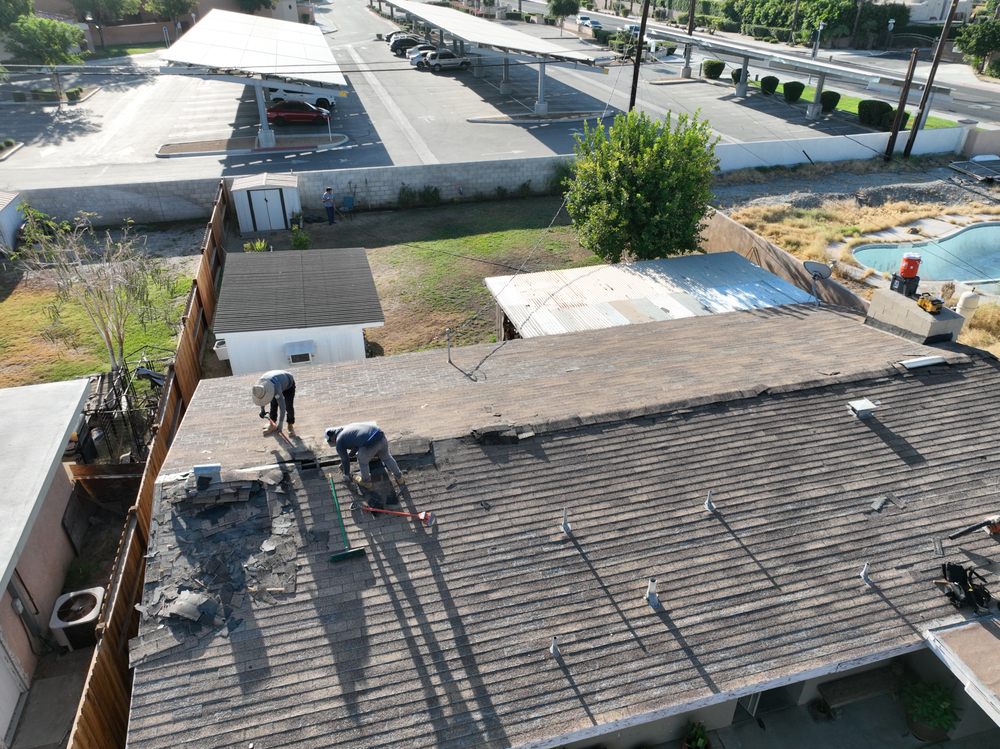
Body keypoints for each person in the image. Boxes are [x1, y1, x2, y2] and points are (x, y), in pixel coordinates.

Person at [325, 422, 404, 488]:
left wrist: (346, 474)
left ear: (331, 439)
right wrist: (352, 453)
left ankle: (366, 482)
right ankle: (399, 477)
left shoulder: (339, 441)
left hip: (369, 444)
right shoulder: (347, 429)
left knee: (362, 461)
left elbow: (345, 460)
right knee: (387, 458)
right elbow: (358, 440)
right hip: (380, 436)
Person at [251, 370, 296, 436]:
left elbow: (282, 407)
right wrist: (262, 410)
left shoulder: (275, 387)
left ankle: (290, 425)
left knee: (288, 406)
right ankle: (272, 424)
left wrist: (280, 424)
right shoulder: (259, 386)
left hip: (288, 384)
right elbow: (261, 398)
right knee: (273, 404)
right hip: (277, 380)